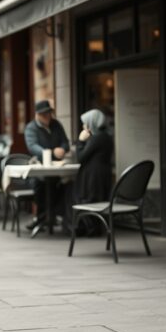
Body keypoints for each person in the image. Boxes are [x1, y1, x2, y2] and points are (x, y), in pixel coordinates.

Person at [23, 100, 71, 230]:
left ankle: (53, 216)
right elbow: (32, 146)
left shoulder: (56, 124)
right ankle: (42, 218)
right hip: (39, 167)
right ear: (37, 115)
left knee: (66, 185)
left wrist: (63, 149)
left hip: (57, 167)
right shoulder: (31, 128)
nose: (48, 117)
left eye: (49, 113)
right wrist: (49, 152)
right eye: (44, 114)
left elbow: (65, 142)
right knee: (40, 185)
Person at [73, 109, 114, 237]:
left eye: (85, 123)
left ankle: (91, 228)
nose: (83, 126)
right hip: (101, 174)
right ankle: (92, 228)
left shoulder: (97, 138)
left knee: (89, 200)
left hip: (93, 176)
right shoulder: (106, 136)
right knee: (96, 200)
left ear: (92, 123)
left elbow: (80, 157)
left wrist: (81, 141)